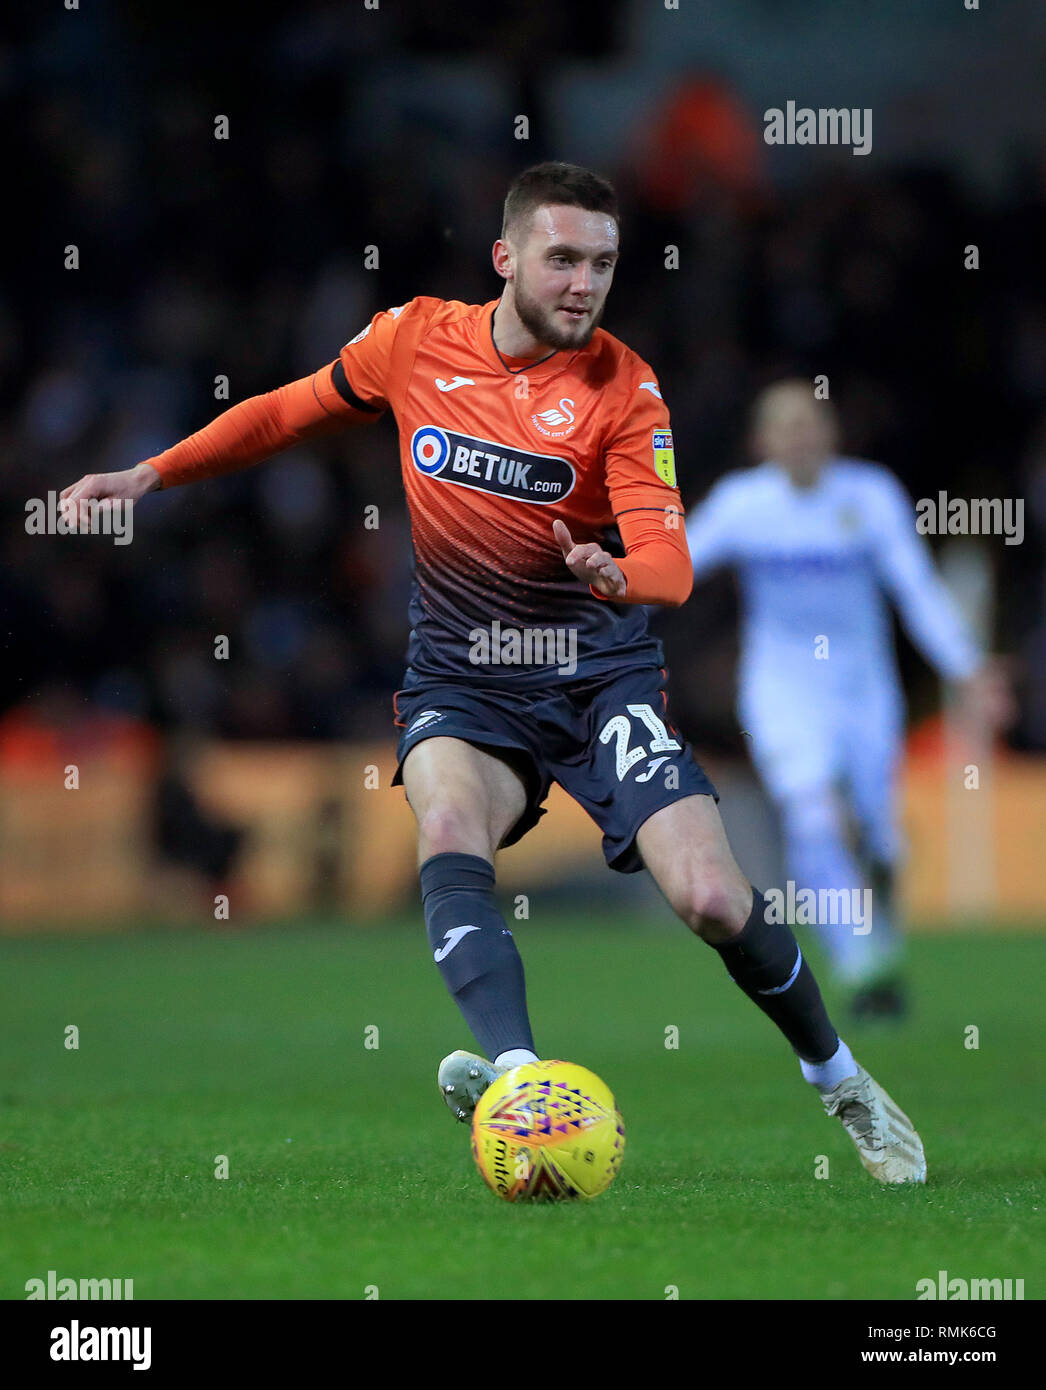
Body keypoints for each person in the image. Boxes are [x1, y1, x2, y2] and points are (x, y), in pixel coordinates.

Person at [60, 163, 925, 1184]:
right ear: (505, 259)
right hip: (462, 679)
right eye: (562, 259)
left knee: (708, 897)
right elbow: (288, 413)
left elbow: (672, 564)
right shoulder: (414, 341)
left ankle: (838, 1078)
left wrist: (616, 572)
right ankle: (517, 1077)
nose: (583, 284)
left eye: (602, 263)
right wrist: (152, 472)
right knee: (446, 822)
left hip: (596, 676)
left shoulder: (624, 389)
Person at [684, 380, 1012, 1017]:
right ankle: (863, 969)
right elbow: (677, 567)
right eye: (785, 427)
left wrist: (969, 671)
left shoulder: (870, 495)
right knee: (811, 815)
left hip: (864, 690)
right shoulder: (744, 505)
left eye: (810, 423)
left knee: (877, 833)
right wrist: (603, 589)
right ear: (762, 443)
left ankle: (882, 883)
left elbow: (914, 588)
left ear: (830, 432)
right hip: (782, 689)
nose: (800, 437)